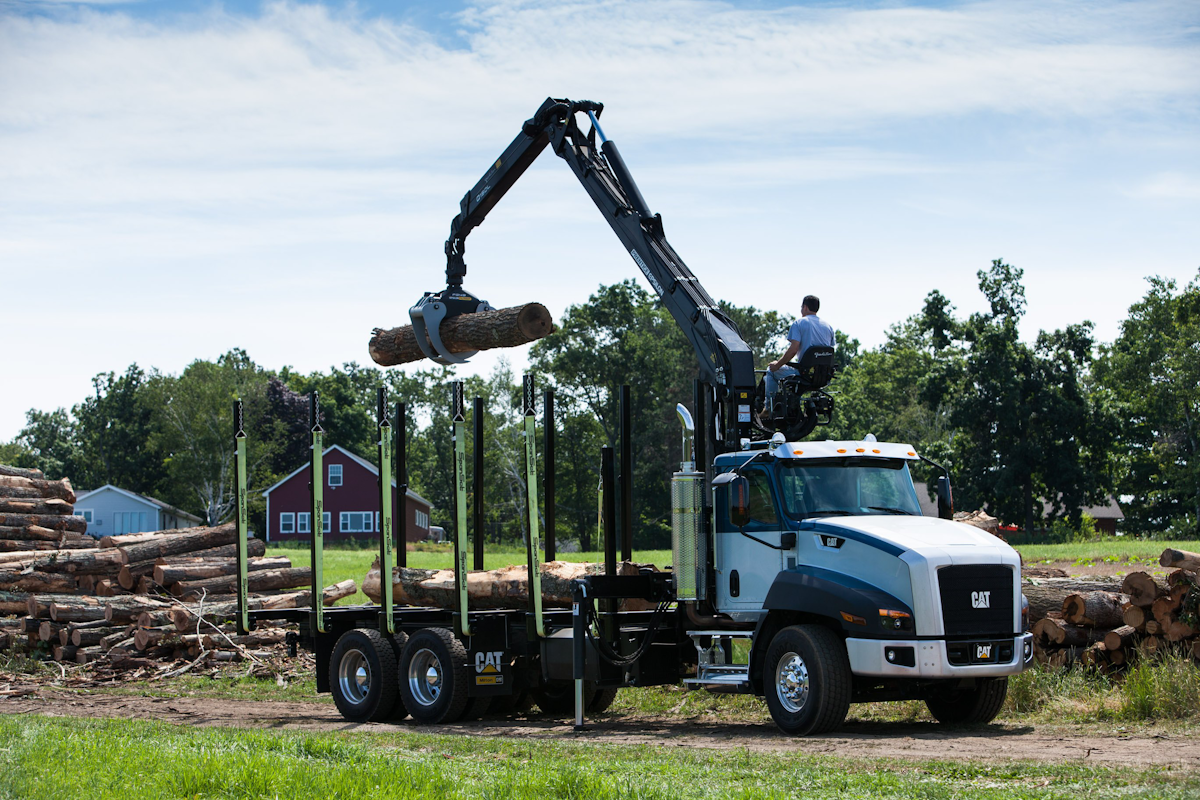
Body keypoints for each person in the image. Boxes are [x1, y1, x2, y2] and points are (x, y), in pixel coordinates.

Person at [762, 295, 834, 419]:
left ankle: (768, 409)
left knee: (771, 371)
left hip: (804, 374)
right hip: (823, 376)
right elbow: (830, 351)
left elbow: (793, 349)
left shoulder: (799, 323)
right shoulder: (828, 327)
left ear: (805, 307)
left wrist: (777, 365)